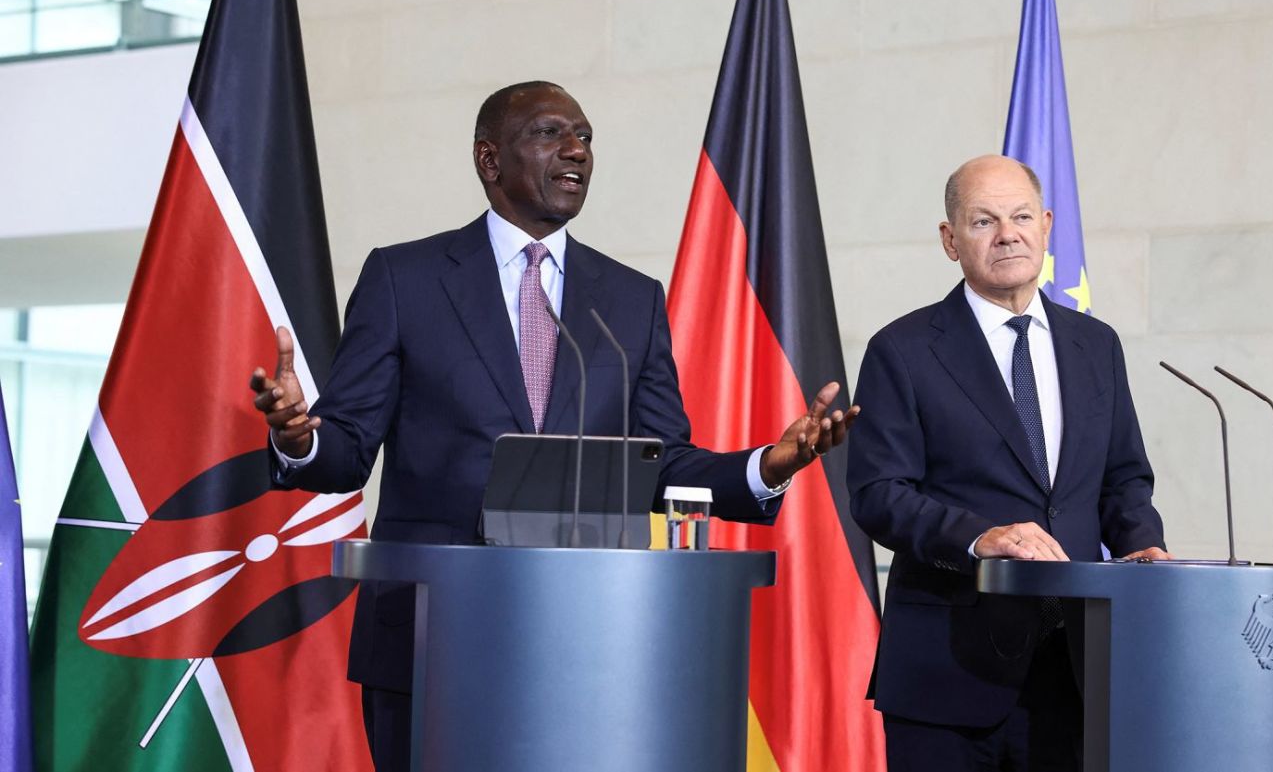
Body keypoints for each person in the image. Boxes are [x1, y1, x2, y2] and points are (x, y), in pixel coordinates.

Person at [248, 80, 858, 771]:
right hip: (429, 637)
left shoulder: (629, 299)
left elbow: (661, 463)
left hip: (587, 647)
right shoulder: (404, 279)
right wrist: (300, 437)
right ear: (489, 160)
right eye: (549, 133)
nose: (576, 150)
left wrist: (764, 466)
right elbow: (348, 447)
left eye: (586, 137)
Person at [847, 155, 1168, 771]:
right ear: (949, 240)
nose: (1007, 234)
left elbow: (1123, 477)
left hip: (1075, 669)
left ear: (1047, 226)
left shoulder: (1095, 344)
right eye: (983, 220)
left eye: (1021, 216)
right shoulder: (903, 350)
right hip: (949, 674)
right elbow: (878, 493)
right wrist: (980, 536)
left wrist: (1141, 544)